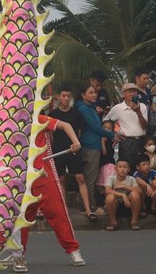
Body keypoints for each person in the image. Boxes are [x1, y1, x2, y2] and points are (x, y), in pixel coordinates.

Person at [7, 113, 85, 273]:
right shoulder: (10, 123)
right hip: (22, 176)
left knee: (58, 212)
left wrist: (75, 141)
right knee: (21, 218)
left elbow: (65, 125)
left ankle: (73, 250)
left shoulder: (37, 118)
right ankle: (18, 253)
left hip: (44, 174)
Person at [48, 87, 94, 220]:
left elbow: (78, 131)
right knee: (61, 179)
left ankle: (88, 209)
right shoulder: (53, 114)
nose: (66, 99)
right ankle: (64, 209)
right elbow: (50, 135)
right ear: (58, 97)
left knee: (80, 178)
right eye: (64, 96)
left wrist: (76, 144)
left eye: (69, 96)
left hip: (74, 150)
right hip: (58, 150)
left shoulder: (76, 113)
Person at [76, 85, 117, 214]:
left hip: (94, 145)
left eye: (95, 93)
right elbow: (95, 128)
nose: (94, 95)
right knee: (90, 179)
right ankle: (91, 206)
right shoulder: (84, 109)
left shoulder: (91, 108)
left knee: (90, 177)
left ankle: (84, 204)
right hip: (90, 146)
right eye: (90, 92)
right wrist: (113, 135)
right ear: (83, 95)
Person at [105, 83, 148, 166]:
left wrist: (138, 111)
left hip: (141, 140)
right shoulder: (118, 108)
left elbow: (144, 126)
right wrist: (115, 134)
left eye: (135, 92)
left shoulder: (142, 107)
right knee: (127, 167)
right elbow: (106, 122)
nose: (132, 94)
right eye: (130, 91)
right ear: (124, 94)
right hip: (127, 142)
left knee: (141, 167)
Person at [103, 158, 142, 230]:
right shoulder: (111, 178)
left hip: (128, 205)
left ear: (129, 169)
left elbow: (139, 190)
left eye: (125, 167)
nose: (122, 169)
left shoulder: (131, 179)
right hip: (115, 204)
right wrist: (123, 195)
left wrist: (125, 186)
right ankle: (113, 222)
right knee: (110, 197)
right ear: (116, 168)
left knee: (135, 194)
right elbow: (107, 190)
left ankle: (134, 221)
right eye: (120, 167)